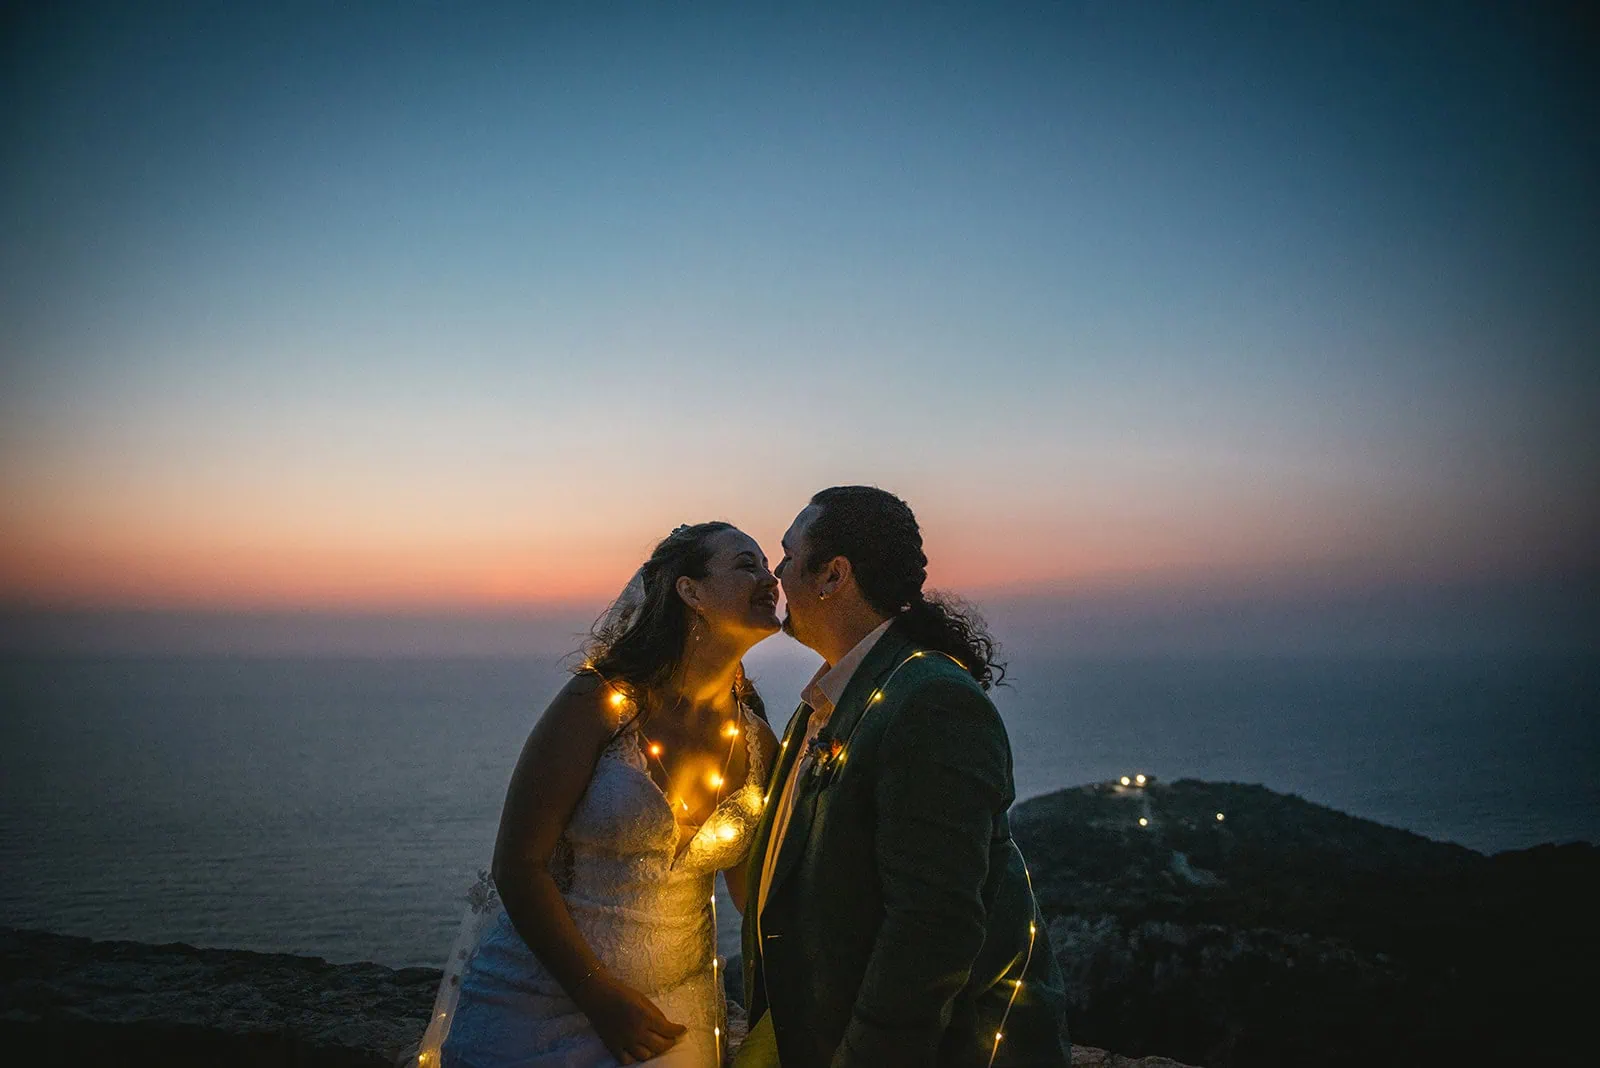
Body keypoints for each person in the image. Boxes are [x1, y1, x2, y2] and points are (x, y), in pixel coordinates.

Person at [422, 522, 782, 1068]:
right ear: (691, 592)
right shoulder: (599, 703)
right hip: (540, 1012)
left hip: (672, 1023)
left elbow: (752, 894)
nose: (770, 578)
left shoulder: (757, 743)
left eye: (768, 565)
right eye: (746, 564)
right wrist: (598, 996)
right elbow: (519, 865)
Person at [737, 486, 1070, 1068]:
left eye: (788, 556)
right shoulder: (827, 700)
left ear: (834, 575)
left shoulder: (932, 702)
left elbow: (933, 925)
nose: (778, 574)